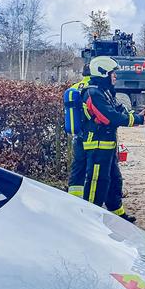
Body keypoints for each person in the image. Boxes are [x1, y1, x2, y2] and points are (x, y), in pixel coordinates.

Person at [80, 56, 144, 222]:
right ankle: (90, 217)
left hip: (108, 146)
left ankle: (117, 214)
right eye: (112, 73)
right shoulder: (92, 93)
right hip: (97, 146)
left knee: (114, 180)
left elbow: (119, 109)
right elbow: (109, 117)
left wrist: (136, 115)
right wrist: (136, 120)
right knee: (97, 182)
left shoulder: (105, 91)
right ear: (102, 73)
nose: (115, 76)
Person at [66, 67, 92, 199]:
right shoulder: (93, 87)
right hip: (92, 134)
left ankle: (74, 197)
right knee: (94, 168)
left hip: (77, 134)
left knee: (78, 166)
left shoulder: (74, 87)